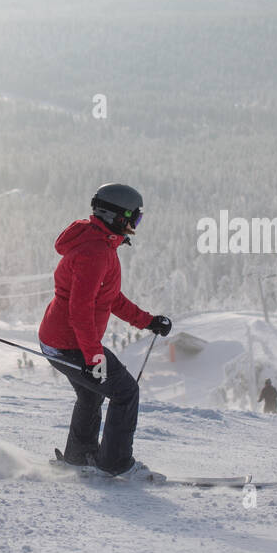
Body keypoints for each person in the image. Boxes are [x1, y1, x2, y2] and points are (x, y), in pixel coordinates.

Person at [38, 183, 171, 481]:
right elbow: (81, 310)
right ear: (117, 216)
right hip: (69, 343)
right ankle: (116, 464)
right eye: (134, 219)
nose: (136, 226)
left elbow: (108, 298)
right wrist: (93, 357)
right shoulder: (96, 251)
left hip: (59, 340)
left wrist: (147, 321)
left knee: (91, 395)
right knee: (125, 392)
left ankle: (79, 458)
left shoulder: (98, 241)